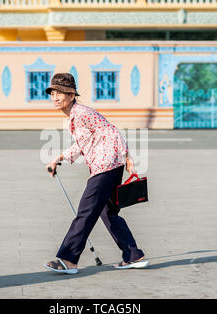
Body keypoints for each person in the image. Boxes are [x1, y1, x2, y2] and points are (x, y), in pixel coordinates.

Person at [44, 73, 149, 274]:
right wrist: (59, 158)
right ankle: (133, 255)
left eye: (60, 93)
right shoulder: (73, 118)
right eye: (53, 93)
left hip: (106, 166)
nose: (55, 97)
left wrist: (127, 157)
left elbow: (112, 130)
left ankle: (68, 259)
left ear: (72, 95)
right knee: (108, 212)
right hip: (108, 165)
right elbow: (82, 144)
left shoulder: (82, 112)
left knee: (86, 211)